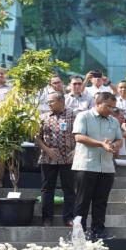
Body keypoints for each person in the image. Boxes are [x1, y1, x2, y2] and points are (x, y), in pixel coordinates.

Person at [71, 92, 123, 239]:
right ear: (98, 103)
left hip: (106, 167)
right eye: (108, 106)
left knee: (101, 202)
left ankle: (98, 230)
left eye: (113, 107)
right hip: (86, 166)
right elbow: (78, 137)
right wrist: (101, 144)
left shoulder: (113, 121)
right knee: (82, 201)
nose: (111, 110)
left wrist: (114, 145)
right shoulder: (84, 116)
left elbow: (120, 140)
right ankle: (79, 232)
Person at [35, 92, 76, 227]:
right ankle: (47, 219)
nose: (49, 104)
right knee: (47, 189)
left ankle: (69, 218)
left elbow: (80, 134)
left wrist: (76, 150)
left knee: (69, 189)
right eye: (48, 102)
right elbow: (37, 137)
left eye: (51, 101)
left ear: (61, 101)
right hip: (48, 158)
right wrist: (47, 150)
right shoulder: (43, 117)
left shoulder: (73, 115)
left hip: (68, 158)